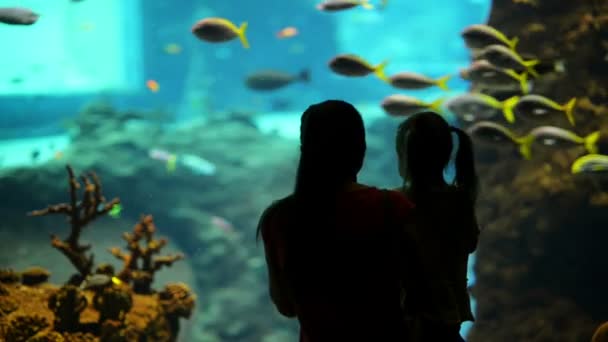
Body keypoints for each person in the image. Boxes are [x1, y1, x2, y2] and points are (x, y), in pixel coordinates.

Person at [257, 100, 415, 342]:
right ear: (360, 149)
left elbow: (286, 306)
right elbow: (419, 289)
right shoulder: (392, 206)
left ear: (305, 150)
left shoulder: (278, 218)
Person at [394, 111, 480, 342]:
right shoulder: (460, 200)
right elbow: (470, 243)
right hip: (449, 320)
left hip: (409, 322)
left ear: (406, 156)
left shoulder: (394, 202)